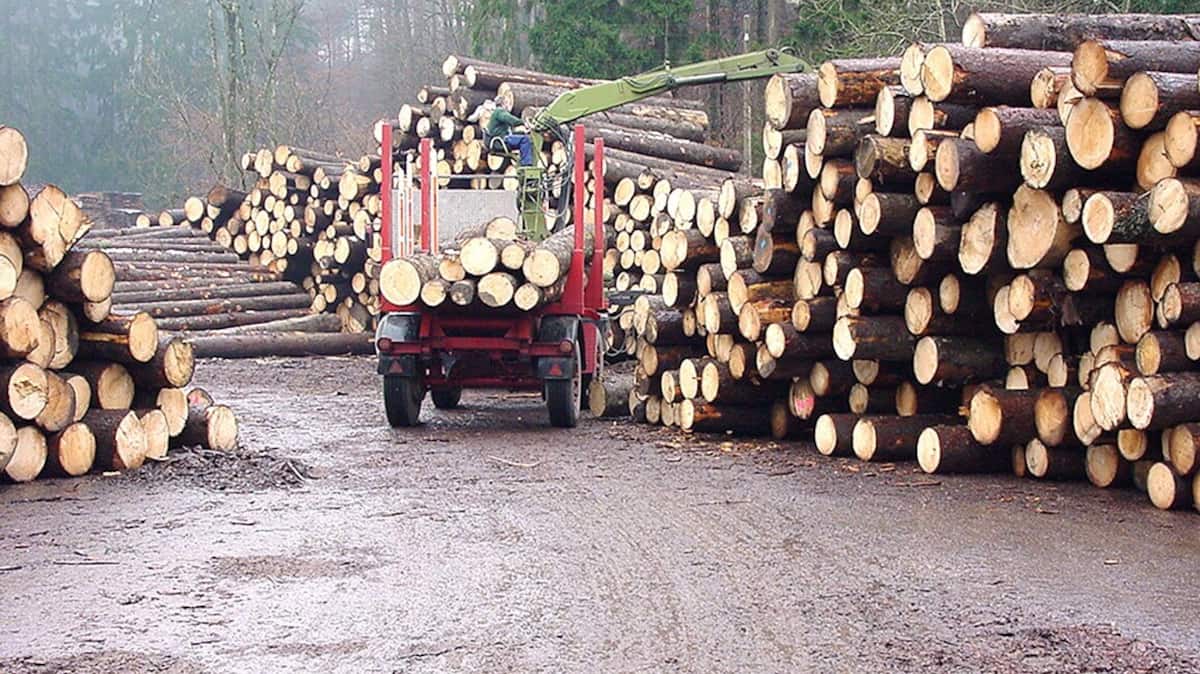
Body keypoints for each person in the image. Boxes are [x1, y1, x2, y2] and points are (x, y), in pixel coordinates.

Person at [469, 98, 533, 167]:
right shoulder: (499, 111)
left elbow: (507, 130)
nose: (508, 105)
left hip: (500, 139)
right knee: (525, 140)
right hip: (499, 142)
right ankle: (526, 165)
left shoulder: (497, 112)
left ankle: (525, 162)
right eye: (506, 103)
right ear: (503, 104)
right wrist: (523, 122)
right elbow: (510, 120)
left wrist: (523, 132)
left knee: (523, 135)